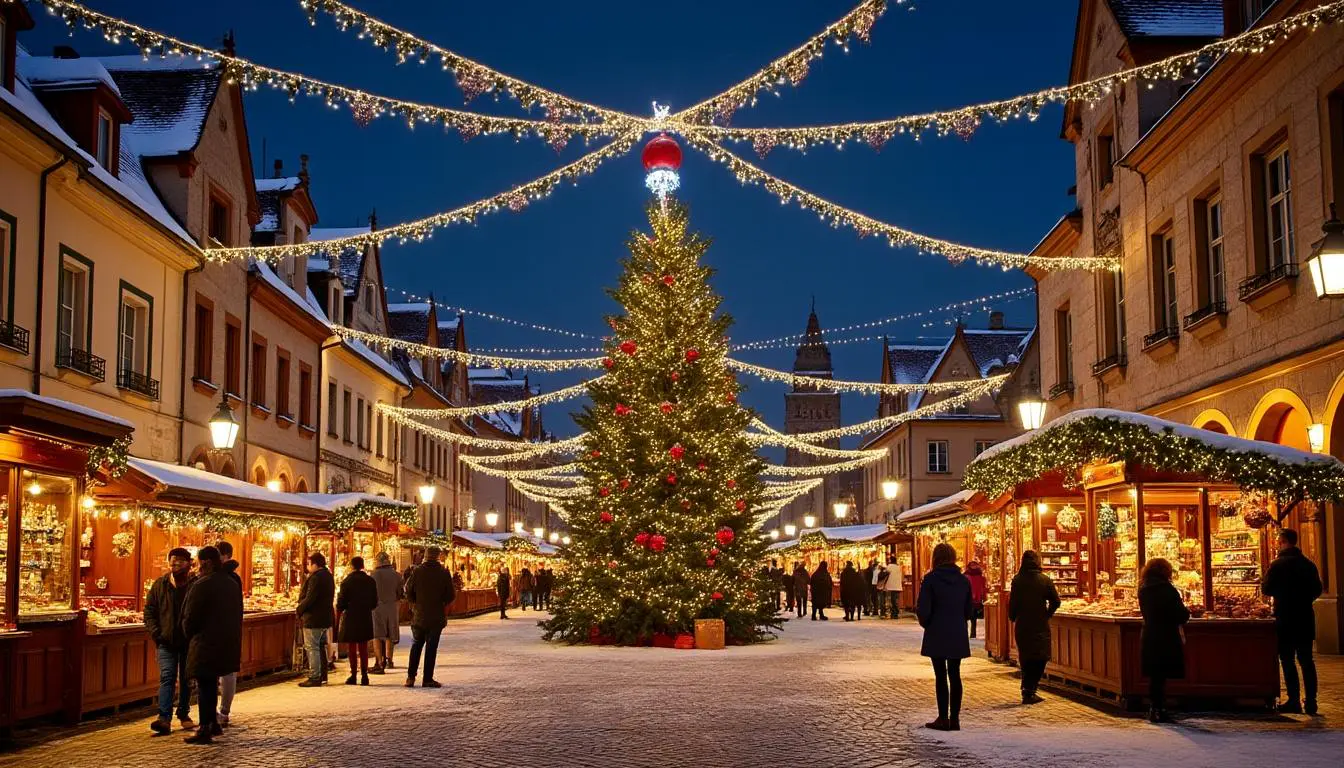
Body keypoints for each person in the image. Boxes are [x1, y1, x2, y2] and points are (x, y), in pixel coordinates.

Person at [180, 546, 242, 745]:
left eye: (199, 563)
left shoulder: (202, 584)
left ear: (206, 562)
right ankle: (213, 723)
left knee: (206, 685)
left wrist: (188, 634)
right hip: (226, 642)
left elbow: (190, 618)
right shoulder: (232, 583)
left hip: (205, 642)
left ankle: (205, 727)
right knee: (212, 682)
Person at [1263, 528, 1324, 714]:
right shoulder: (1308, 564)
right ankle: (1311, 701)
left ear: (1282, 541)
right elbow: (1317, 589)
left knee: (1287, 659)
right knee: (1306, 660)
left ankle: (1294, 699)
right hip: (1305, 616)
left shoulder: (1278, 565)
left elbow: (1266, 588)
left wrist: (1282, 595)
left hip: (1285, 617)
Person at [918, 543, 974, 731]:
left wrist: (929, 623)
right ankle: (955, 719)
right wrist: (959, 621)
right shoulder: (964, 581)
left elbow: (923, 610)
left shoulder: (930, 580)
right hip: (957, 631)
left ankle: (943, 718)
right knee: (955, 674)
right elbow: (968, 610)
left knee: (940, 675)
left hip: (937, 631)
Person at [144, 547, 195, 734]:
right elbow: (149, 611)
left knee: (186, 679)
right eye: (173, 560)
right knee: (167, 677)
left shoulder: (195, 584)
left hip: (188, 641)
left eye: (180, 560)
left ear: (189, 563)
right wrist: (156, 633)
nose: (175, 563)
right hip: (165, 641)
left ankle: (183, 713)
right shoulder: (160, 584)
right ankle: (164, 718)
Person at [1138, 557, 1189, 723]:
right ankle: (1161, 708)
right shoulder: (1168, 589)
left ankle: (1154, 708)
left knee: (1155, 674)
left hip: (1149, 634)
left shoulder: (1143, 589)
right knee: (1162, 674)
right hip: (1166, 635)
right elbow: (1181, 614)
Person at [1008, 550, 1060, 704]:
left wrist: (1013, 616)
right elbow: (1056, 601)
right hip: (1039, 624)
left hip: (1023, 625)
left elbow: (1013, 603)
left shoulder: (1017, 580)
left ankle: (1027, 689)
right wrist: (1047, 614)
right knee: (1041, 656)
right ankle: (1030, 689)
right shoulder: (1044, 580)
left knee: (1026, 657)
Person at [404, 545, 455, 688]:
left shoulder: (417, 571)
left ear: (425, 556)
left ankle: (410, 677)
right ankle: (427, 678)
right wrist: (442, 602)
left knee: (416, 645)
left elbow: (408, 590)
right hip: (436, 616)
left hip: (419, 615)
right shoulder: (443, 573)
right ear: (438, 556)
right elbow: (451, 595)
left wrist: (414, 602)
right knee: (431, 648)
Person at [295, 552, 335, 688]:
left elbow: (311, 598)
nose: (307, 566)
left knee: (312, 647)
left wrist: (299, 609)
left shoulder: (316, 578)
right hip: (325, 618)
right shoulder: (328, 576)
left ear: (315, 564)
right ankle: (322, 675)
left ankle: (314, 676)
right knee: (320, 646)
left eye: (308, 563)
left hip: (314, 618)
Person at [336, 555, 378, 686]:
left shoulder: (347, 581)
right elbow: (374, 601)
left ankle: (353, 674)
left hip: (351, 616)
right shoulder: (370, 581)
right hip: (365, 616)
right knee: (363, 646)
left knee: (352, 647)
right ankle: (365, 675)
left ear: (351, 566)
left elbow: (341, 602)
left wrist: (343, 608)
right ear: (363, 566)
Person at [216, 541, 243, 727]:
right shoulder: (235, 578)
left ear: (224, 555)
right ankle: (223, 710)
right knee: (227, 673)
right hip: (232, 629)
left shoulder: (224, 578)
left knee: (225, 673)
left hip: (223, 630)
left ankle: (222, 711)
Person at [370, 551, 403, 674]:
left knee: (377, 635)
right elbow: (400, 593)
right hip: (392, 607)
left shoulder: (373, 575)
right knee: (390, 633)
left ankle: (379, 662)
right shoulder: (397, 575)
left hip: (377, 607)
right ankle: (389, 659)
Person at [964, 561, 987, 638]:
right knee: (970, 617)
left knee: (972, 617)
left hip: (973, 599)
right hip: (972, 599)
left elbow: (983, 588)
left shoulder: (967, 576)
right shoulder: (967, 576)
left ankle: (971, 633)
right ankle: (970, 633)